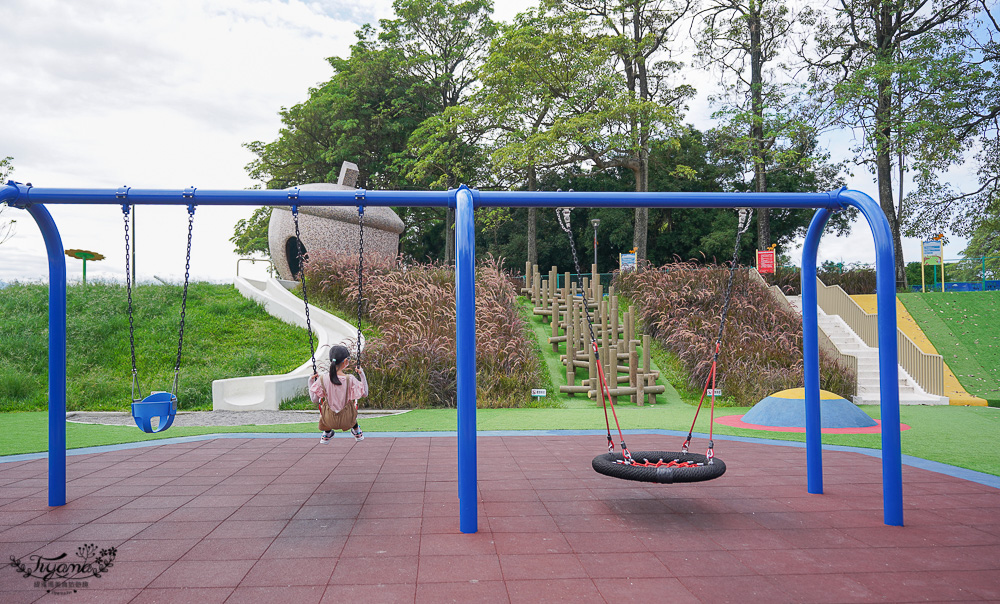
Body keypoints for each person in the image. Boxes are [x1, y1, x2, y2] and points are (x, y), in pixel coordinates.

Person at [308, 345, 367, 443]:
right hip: (347, 420)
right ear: (345, 362)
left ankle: (327, 433)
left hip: (329, 420)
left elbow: (314, 399)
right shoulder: (350, 379)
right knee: (351, 405)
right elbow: (365, 393)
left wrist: (310, 382)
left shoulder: (323, 379)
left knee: (324, 405)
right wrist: (362, 375)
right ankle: (357, 431)